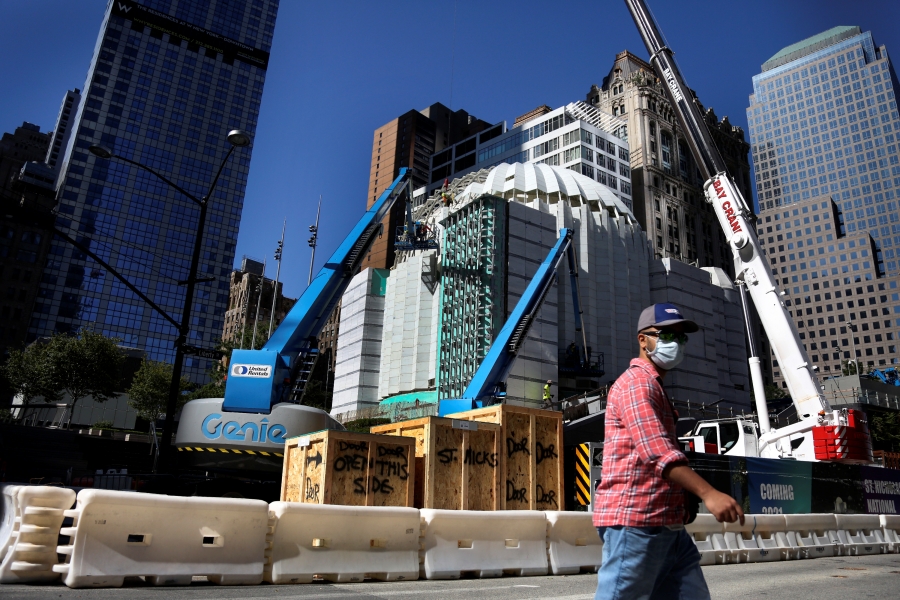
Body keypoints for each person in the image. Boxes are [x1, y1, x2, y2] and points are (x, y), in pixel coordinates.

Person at [593, 303, 744, 600]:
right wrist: (708, 494)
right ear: (642, 340)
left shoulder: (655, 387)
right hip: (636, 523)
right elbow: (657, 452)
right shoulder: (637, 385)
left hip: (668, 526)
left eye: (681, 338)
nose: (676, 344)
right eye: (666, 336)